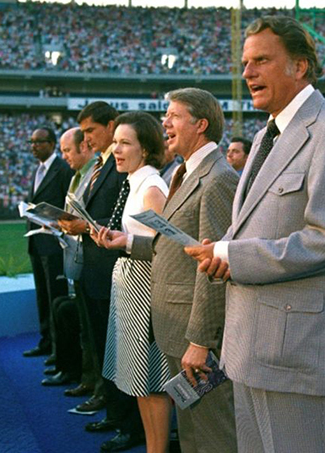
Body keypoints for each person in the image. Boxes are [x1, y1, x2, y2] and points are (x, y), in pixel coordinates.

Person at [185, 16, 325, 453]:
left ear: (300, 66)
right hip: (248, 350)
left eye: (261, 61)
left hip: (297, 358)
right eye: (246, 63)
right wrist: (221, 250)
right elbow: (252, 224)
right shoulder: (270, 133)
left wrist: (235, 255)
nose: (247, 73)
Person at [96, 88, 238, 453]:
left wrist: (200, 342)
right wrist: (127, 243)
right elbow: (178, 248)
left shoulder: (218, 178)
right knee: (191, 431)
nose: (165, 123)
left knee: (211, 435)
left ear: (201, 124)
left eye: (174, 116)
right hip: (175, 325)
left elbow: (213, 267)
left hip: (194, 334)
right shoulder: (185, 172)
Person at [58, 102, 143, 452]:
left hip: (112, 270)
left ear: (110, 126)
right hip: (94, 270)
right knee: (103, 349)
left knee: (120, 353)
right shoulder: (101, 166)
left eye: (91, 131)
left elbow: (118, 219)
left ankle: (128, 424)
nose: (87, 138)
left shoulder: (122, 167)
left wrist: (85, 225)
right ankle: (115, 413)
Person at [90, 111, 172, 453]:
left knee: (150, 380)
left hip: (146, 288)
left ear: (147, 148)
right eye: (116, 142)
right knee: (139, 380)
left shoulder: (152, 187)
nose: (117, 149)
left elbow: (166, 250)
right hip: (130, 286)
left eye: (126, 143)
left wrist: (122, 242)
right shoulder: (135, 181)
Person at [43, 128, 96, 387]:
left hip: (90, 261)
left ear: (84, 147)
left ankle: (89, 381)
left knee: (90, 331)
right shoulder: (76, 176)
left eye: (66, 150)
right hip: (75, 258)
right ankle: (82, 378)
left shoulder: (93, 174)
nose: (63, 156)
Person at [23, 127, 74, 365]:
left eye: (39, 142)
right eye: (31, 142)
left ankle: (58, 349)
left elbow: (68, 206)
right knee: (42, 297)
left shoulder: (63, 170)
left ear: (52, 144)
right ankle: (45, 342)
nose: (34, 146)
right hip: (37, 240)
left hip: (54, 244)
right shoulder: (38, 170)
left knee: (55, 297)